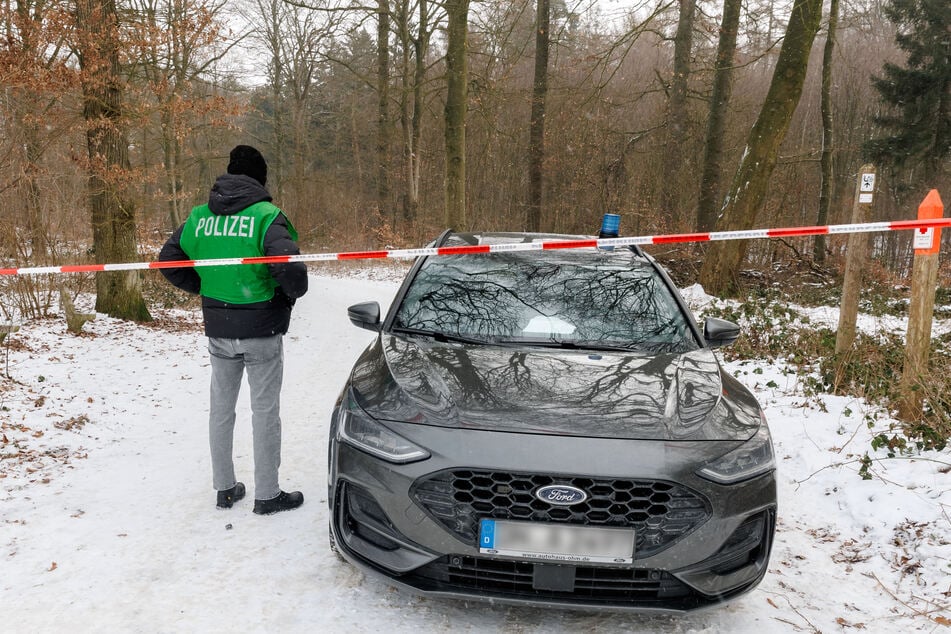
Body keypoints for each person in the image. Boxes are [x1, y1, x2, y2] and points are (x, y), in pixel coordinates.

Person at [159, 145, 308, 515]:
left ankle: (224, 489)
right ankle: (267, 495)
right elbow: (292, 273)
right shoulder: (266, 215)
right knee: (265, 411)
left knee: (221, 410)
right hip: (262, 330)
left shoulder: (198, 217)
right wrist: (284, 298)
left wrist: (204, 288)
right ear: (260, 178)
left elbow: (168, 260)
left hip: (218, 329)